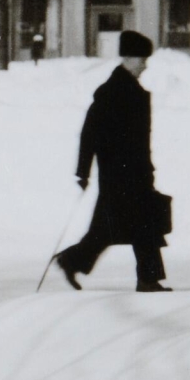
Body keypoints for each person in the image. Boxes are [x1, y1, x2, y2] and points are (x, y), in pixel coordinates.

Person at [53, 30, 169, 293]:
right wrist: (83, 172)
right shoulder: (110, 92)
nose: (145, 65)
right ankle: (145, 278)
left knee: (132, 225)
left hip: (135, 172)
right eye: (142, 59)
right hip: (119, 174)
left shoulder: (132, 90)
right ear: (128, 57)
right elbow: (89, 133)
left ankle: (74, 261)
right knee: (126, 226)